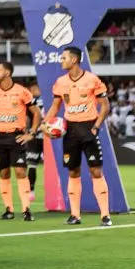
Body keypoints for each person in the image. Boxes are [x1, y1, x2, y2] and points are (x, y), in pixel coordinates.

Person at [45, 46, 112, 226]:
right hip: (70, 131)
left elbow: (105, 106)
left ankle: (105, 215)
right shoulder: (60, 82)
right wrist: (45, 124)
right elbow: (55, 106)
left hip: (89, 128)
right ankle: (75, 215)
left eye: (64, 57)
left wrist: (96, 127)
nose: (61, 60)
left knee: (95, 170)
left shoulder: (92, 80)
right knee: (73, 171)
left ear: (74, 60)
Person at [0, 62, 41, 221]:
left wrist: (32, 132)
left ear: (7, 73)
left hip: (17, 136)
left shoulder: (22, 91)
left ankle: (26, 209)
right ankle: (9, 209)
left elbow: (36, 113)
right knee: (4, 172)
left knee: (20, 171)